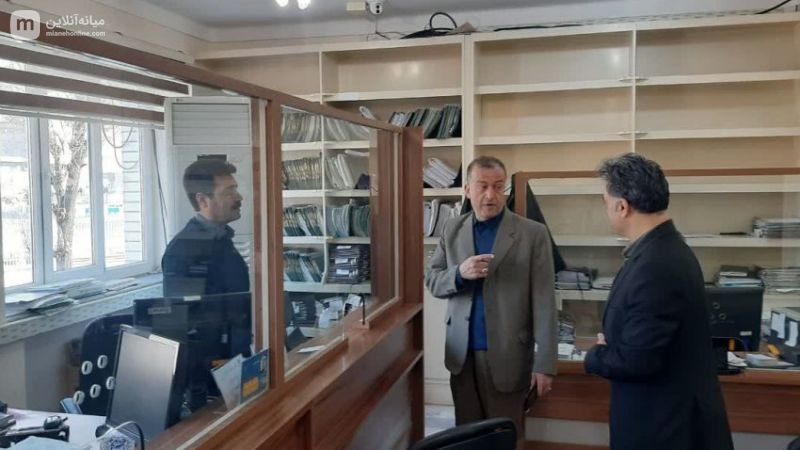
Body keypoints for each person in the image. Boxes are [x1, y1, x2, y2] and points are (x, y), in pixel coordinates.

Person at [584, 153, 733, 450]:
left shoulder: (656, 265)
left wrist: (597, 355)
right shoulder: (662, 249)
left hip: (664, 429)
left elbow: (638, 360)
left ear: (622, 206)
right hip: (664, 421)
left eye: (605, 202)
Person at [424, 156, 557, 446]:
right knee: (466, 437)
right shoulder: (452, 229)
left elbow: (545, 302)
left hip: (509, 354)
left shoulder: (532, 234)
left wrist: (545, 364)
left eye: (498, 186)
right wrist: (459, 273)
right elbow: (432, 280)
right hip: (462, 354)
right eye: (482, 186)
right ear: (467, 190)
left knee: (505, 436)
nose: (490, 195)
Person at [162, 159, 250, 297]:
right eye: (229, 192)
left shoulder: (221, 238)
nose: (239, 197)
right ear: (202, 200)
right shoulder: (184, 250)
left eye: (235, 190)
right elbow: (185, 309)